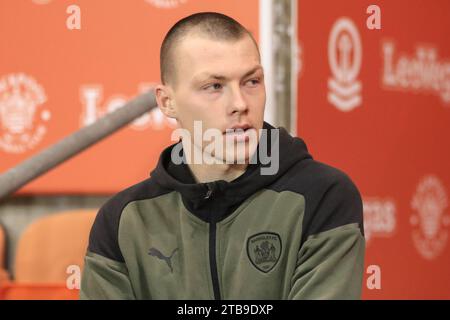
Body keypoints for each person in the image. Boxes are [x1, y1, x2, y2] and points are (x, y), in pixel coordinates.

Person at [80, 12, 365, 300]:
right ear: (167, 102)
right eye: (214, 86)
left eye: (251, 82)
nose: (240, 104)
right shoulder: (122, 221)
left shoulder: (323, 197)